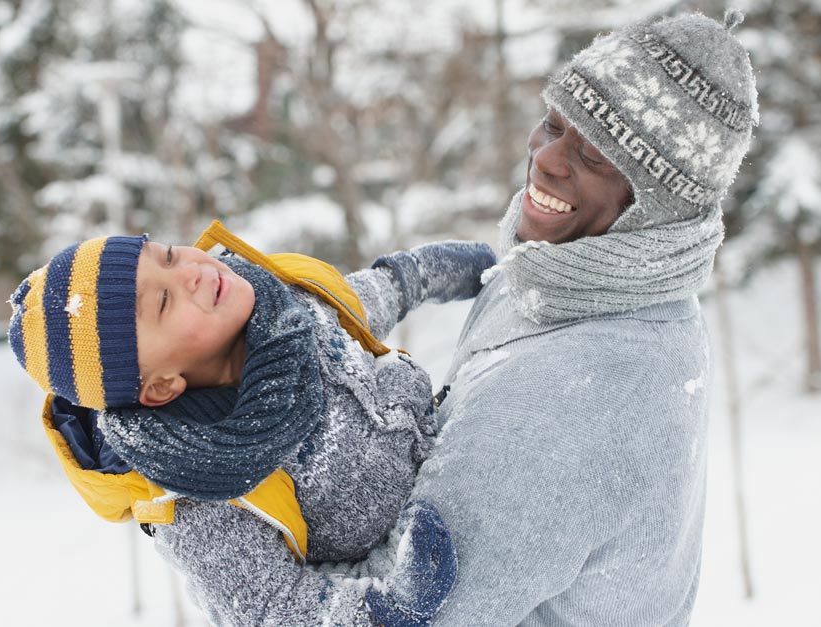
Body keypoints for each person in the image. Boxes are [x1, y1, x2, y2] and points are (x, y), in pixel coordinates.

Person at [159, 9, 757, 626]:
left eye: (598, 157)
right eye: (553, 123)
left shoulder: (576, 386)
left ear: (651, 208)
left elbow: (415, 608)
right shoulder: (596, 283)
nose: (547, 159)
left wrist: (210, 530)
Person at [6, 226, 496, 625]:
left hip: (469, 451)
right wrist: (389, 607)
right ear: (159, 387)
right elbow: (273, 610)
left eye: (170, 256)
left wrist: (436, 269)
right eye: (162, 302)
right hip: (460, 577)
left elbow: (377, 291)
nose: (193, 273)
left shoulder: (291, 303)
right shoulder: (201, 493)